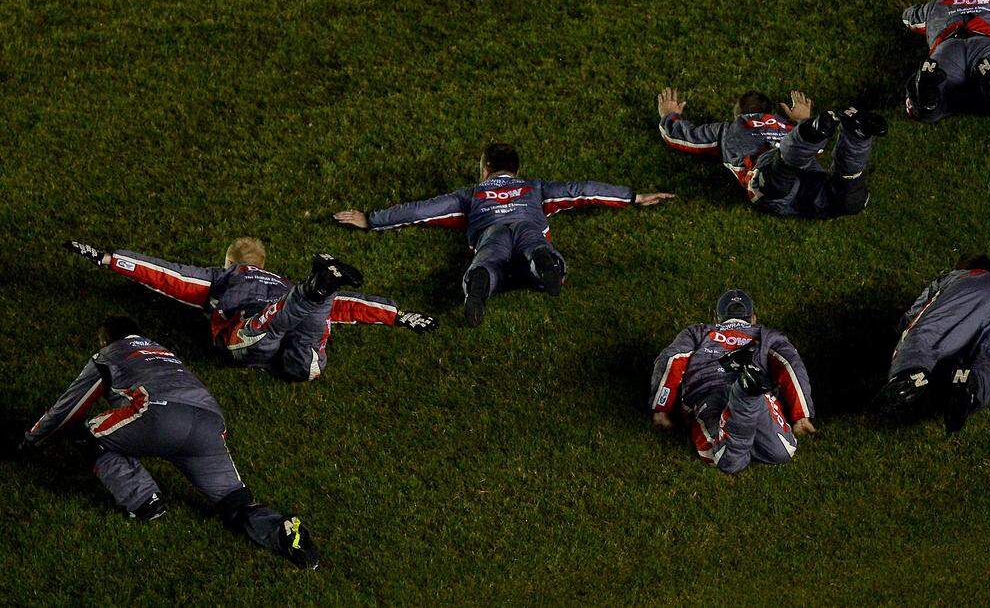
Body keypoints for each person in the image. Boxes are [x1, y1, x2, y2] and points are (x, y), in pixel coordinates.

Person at [17, 316, 319, 569]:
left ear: (106, 341)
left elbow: (69, 407)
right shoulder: (164, 352)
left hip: (159, 416)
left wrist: (32, 440)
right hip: (210, 424)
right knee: (234, 501)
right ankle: (282, 532)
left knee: (89, 435)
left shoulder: (109, 355)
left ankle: (144, 500)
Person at [334, 142, 674, 326]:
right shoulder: (535, 188)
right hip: (529, 227)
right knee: (537, 248)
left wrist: (372, 219)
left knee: (488, 262)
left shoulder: (471, 195)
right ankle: (543, 262)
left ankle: (480, 284)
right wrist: (633, 196)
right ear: (516, 170)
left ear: (485, 170)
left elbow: (421, 211)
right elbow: (581, 189)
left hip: (490, 233)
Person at [63, 238, 437, 382]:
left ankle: (314, 292)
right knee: (319, 316)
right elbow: (351, 308)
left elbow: (168, 276)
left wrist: (111, 259)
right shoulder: (283, 281)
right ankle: (319, 291)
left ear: (229, 260)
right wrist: (398, 315)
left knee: (264, 327)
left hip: (252, 338)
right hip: (301, 360)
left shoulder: (223, 276)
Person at [648, 289, 816, 474]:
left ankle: (742, 398)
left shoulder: (697, 332)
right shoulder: (768, 336)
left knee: (725, 458)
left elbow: (672, 359)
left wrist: (661, 410)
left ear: (716, 318)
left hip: (708, 396)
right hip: (761, 398)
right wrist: (801, 417)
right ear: (753, 318)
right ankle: (746, 394)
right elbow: (791, 365)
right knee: (782, 451)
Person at [874, 253, 990, 432]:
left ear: (961, 268)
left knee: (926, 336)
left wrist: (901, 332)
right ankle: (972, 386)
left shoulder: (959, 276)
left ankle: (910, 372)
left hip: (969, 290)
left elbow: (913, 316)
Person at [657, 87, 886, 219]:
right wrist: (802, 121)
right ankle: (857, 136)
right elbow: (818, 148)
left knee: (778, 172)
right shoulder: (784, 125)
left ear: (739, 112)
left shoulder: (730, 128)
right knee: (849, 194)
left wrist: (669, 115)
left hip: (775, 182)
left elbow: (684, 138)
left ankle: (821, 134)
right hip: (813, 182)